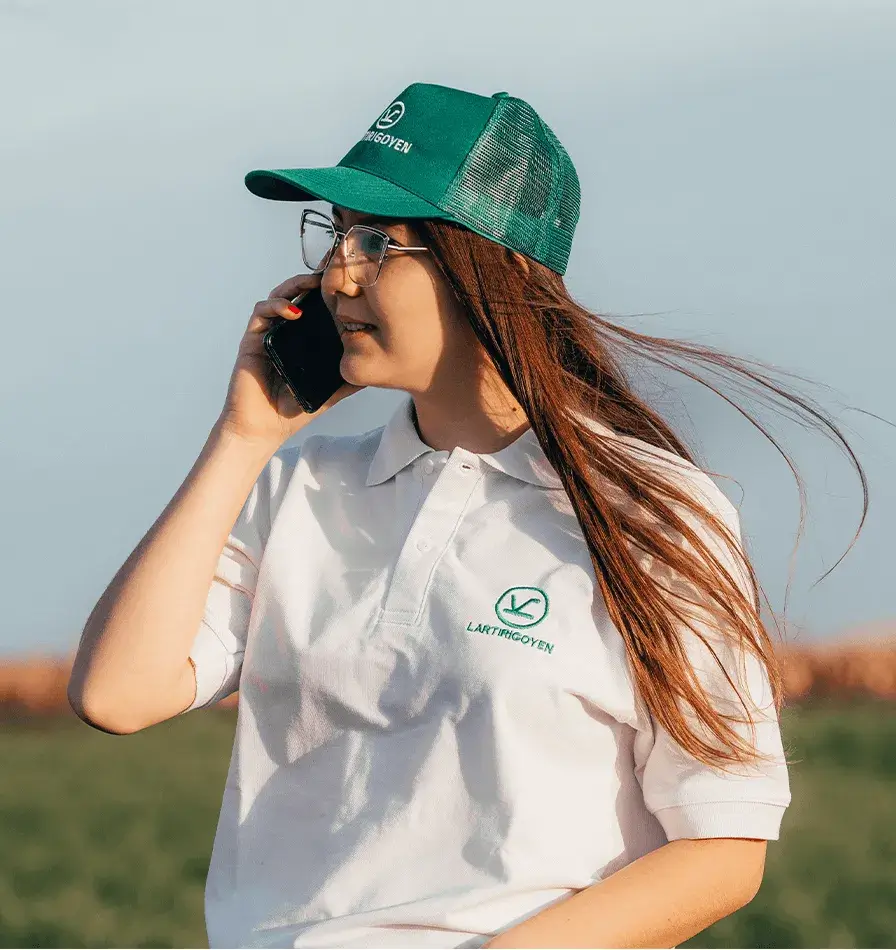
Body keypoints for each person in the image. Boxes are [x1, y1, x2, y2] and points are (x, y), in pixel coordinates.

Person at [67, 81, 865, 949]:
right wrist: (243, 436)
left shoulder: (652, 513)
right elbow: (118, 693)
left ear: (491, 267)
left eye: (379, 242)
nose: (339, 274)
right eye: (335, 233)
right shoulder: (295, 490)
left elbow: (721, 847)